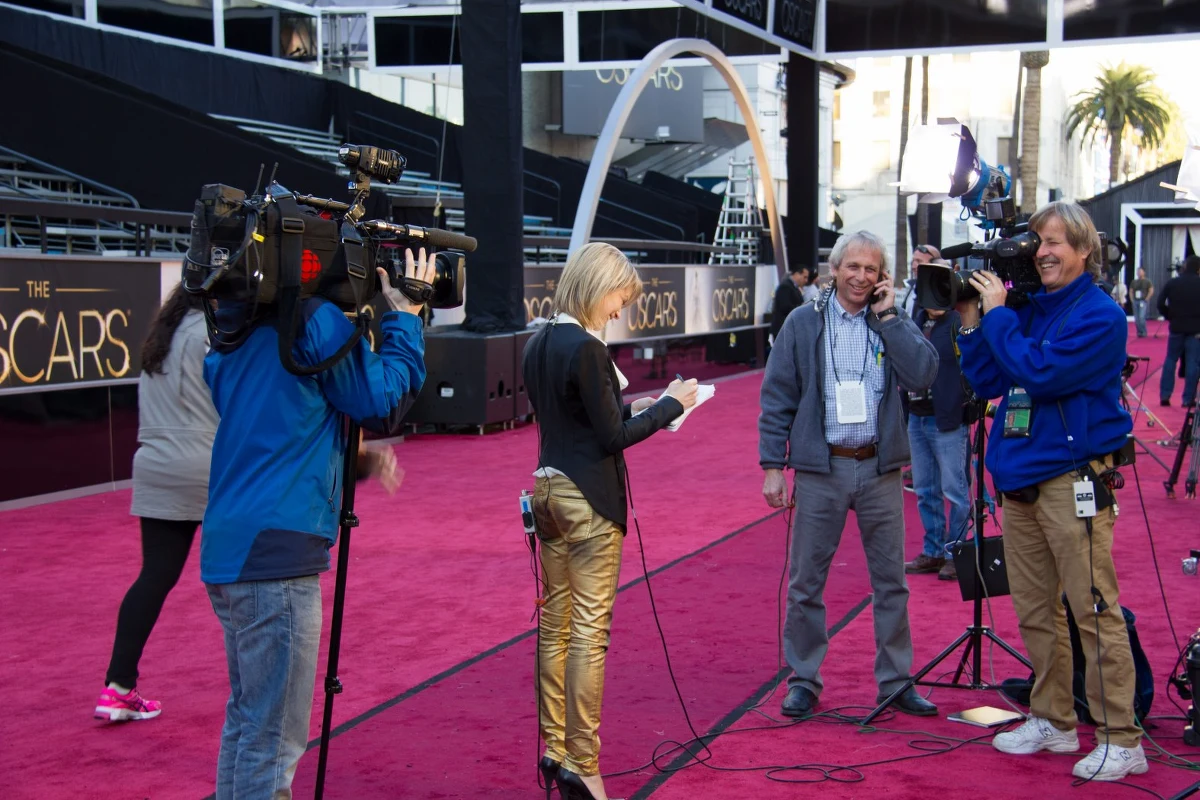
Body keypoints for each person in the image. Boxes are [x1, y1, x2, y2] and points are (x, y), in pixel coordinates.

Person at [201, 249, 431, 798]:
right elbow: (381, 400)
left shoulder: (233, 331)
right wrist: (406, 317)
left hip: (231, 546)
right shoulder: (311, 322)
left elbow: (285, 422)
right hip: (276, 553)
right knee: (273, 741)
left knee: (248, 724)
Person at [956, 201, 1146, 781]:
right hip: (1019, 483)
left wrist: (998, 316)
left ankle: (1122, 738)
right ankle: (1054, 720)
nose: (1042, 252)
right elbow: (990, 379)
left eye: (1055, 242)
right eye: (1037, 242)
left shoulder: (1100, 316)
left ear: (1085, 249)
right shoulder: (1027, 310)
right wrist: (972, 320)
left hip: (1072, 482)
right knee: (1037, 612)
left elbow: (1038, 373)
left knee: (1092, 611)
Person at [523, 242, 697, 800]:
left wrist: (648, 407)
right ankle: (584, 765)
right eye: (621, 299)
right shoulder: (587, 349)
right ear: (600, 288)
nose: (621, 311)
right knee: (589, 636)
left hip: (546, 488)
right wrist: (673, 406)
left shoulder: (540, 341)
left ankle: (554, 751)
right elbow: (612, 437)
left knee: (555, 627)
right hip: (589, 500)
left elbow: (586, 417)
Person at [759, 230, 939, 719]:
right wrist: (773, 466)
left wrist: (889, 319)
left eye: (872, 269)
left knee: (892, 584)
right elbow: (777, 397)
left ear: (883, 277)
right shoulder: (802, 322)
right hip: (822, 469)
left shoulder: (891, 320)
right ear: (833, 270)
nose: (861, 276)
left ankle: (897, 683)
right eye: (853, 267)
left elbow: (924, 374)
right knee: (806, 583)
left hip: (880, 470)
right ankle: (803, 680)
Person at [94, 286, 218, 723]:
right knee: (242, 582)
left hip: (156, 465)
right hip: (209, 465)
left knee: (153, 578)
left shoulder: (160, 339)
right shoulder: (215, 332)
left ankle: (117, 686)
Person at [902, 270, 973, 583]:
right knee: (925, 490)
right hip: (917, 415)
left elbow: (972, 365)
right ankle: (932, 551)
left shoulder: (959, 322)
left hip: (948, 417)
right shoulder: (915, 321)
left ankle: (956, 553)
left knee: (955, 491)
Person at [1156, 256, 1200, 407]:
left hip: (1176, 327)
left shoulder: (1173, 283)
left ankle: (1165, 395)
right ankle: (1188, 399)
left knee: (1170, 360)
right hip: (1195, 330)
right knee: (1193, 363)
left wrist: (1170, 316)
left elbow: (1160, 303)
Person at [770, 265, 808, 344]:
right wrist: (801, 308)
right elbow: (785, 306)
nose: (806, 280)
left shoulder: (794, 287)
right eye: (804, 277)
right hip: (782, 329)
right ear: (797, 274)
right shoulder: (785, 286)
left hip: (790, 329)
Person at [900, 244, 941, 318]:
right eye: (913, 261)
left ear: (934, 264)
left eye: (919, 261)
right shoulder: (912, 287)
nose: (913, 266)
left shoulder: (940, 291)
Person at [1130, 268, 1154, 338]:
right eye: (1138, 272)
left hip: (1143, 301)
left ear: (1144, 272)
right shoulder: (1134, 282)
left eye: (1140, 271)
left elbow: (1151, 290)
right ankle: (1139, 332)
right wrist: (1132, 299)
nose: (1139, 273)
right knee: (1136, 318)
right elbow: (1131, 291)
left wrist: (1147, 298)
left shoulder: (1147, 281)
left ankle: (1143, 331)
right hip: (1135, 300)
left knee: (1141, 317)